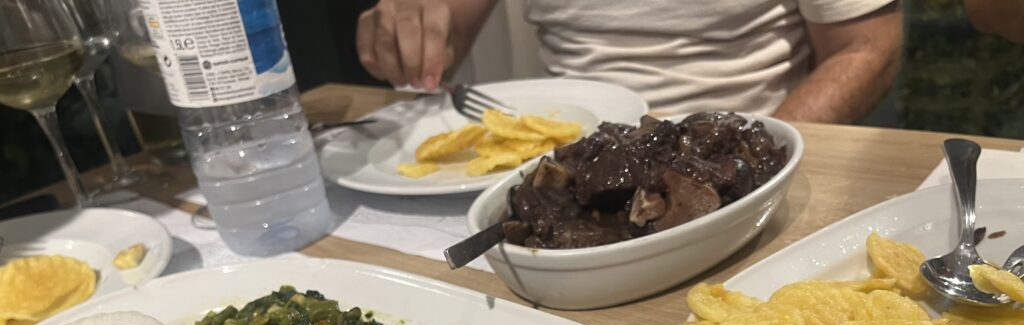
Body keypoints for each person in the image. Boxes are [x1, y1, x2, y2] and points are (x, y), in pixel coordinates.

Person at [356, 0, 903, 123]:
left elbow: (866, 48)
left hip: (747, 145)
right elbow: (441, 30)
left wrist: (761, 156)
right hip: (562, 162)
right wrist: (407, 32)